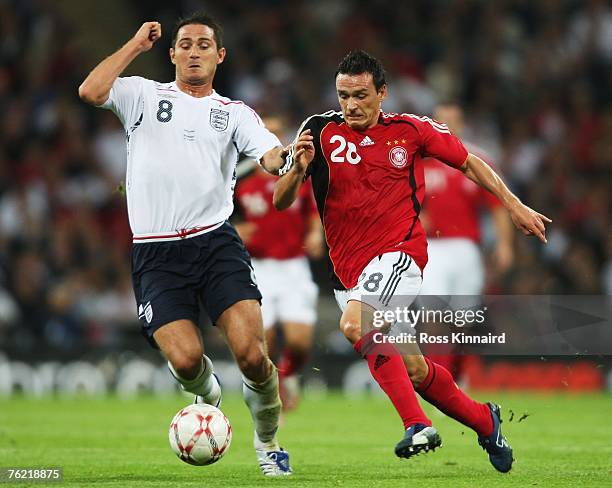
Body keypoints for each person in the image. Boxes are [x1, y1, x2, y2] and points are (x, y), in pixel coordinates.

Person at [274, 50, 551, 473]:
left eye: (361, 95)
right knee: (416, 368)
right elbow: (281, 200)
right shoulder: (318, 130)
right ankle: (484, 420)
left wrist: (512, 205)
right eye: (344, 95)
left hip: (399, 256)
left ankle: (417, 424)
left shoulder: (411, 131)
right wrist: (297, 170)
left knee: (355, 323)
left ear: (382, 93)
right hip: (350, 269)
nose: (351, 105)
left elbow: (470, 162)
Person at [78, 13, 310, 476]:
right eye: (185, 44)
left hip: (214, 244)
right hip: (156, 254)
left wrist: (287, 157)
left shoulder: (235, 112)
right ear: (172, 54)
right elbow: (90, 91)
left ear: (219, 56)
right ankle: (207, 395)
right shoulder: (142, 93)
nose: (194, 51)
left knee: (252, 356)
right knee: (185, 360)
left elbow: (267, 154)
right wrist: (134, 46)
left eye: (204, 44)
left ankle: (268, 445)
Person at [234, 115, 323, 411]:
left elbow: (313, 213)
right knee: (266, 342)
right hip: (260, 269)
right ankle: (273, 394)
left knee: (299, 342)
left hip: (294, 266)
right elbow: (224, 223)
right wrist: (236, 232)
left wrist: (314, 233)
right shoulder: (241, 187)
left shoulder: (297, 178)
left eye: (276, 132)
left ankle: (290, 374)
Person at [420, 103, 514, 379]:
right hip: (431, 247)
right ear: (433, 123)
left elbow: (497, 204)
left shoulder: (477, 158)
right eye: (442, 119)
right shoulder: (417, 158)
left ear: (462, 122)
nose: (447, 125)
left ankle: (457, 377)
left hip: (467, 249)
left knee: (463, 320)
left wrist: (505, 244)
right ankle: (439, 382)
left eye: (453, 119)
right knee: (433, 315)